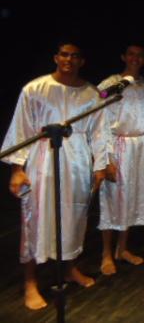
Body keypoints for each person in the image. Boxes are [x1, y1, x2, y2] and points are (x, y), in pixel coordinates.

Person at [1, 42, 110, 310]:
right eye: (64, 54)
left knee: (73, 218)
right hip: (42, 161)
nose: (69, 59)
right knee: (35, 219)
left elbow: (99, 132)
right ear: (55, 57)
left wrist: (100, 166)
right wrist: (17, 169)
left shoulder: (92, 93)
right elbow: (21, 128)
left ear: (82, 61)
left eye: (75, 56)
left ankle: (70, 269)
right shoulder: (35, 89)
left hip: (76, 162)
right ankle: (30, 281)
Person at [98, 44, 144, 275]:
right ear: (123, 56)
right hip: (117, 147)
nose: (135, 58)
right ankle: (106, 254)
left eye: (140, 56)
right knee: (111, 201)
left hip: (140, 147)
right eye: (131, 54)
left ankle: (123, 248)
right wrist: (106, 159)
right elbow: (100, 125)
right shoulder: (109, 84)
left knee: (129, 200)